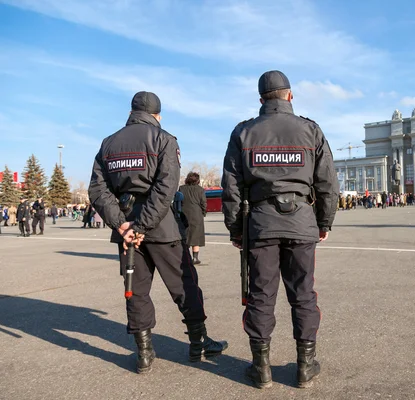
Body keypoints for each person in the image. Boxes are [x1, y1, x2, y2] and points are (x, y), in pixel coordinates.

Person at [88, 91, 227, 374]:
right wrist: (142, 225)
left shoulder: (108, 144)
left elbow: (97, 190)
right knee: (184, 284)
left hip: (127, 229)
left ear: (131, 112)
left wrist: (122, 224)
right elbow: (165, 189)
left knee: (136, 290)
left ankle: (144, 352)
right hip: (161, 227)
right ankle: (198, 342)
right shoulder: (164, 139)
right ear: (157, 115)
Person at [221, 71, 338, 389]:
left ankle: (261, 370)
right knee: (303, 296)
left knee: (261, 296)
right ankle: (305, 366)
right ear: (290, 95)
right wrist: (324, 222)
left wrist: (235, 230)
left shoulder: (243, 132)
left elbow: (231, 188)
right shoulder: (310, 130)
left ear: (261, 100)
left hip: (260, 224)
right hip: (301, 222)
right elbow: (327, 182)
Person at [179, 171, 207, 265]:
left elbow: (178, 202)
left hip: (184, 214)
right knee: (196, 237)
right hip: (197, 214)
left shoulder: (181, 188)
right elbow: (203, 203)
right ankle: (195, 258)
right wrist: (203, 212)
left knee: (184, 236)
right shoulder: (200, 190)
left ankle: (185, 257)